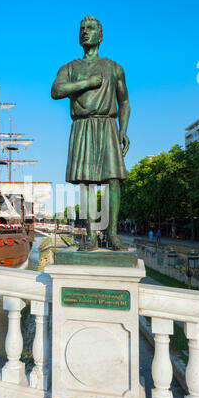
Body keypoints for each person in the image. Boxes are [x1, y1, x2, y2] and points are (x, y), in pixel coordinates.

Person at [51, 16, 130, 251]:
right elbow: (56, 90)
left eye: (90, 29)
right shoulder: (70, 68)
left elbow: (124, 101)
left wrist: (123, 130)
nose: (85, 32)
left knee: (113, 180)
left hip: (107, 124)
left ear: (100, 35)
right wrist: (87, 83)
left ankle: (112, 234)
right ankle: (90, 236)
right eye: (82, 29)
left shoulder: (115, 68)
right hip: (82, 125)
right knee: (86, 182)